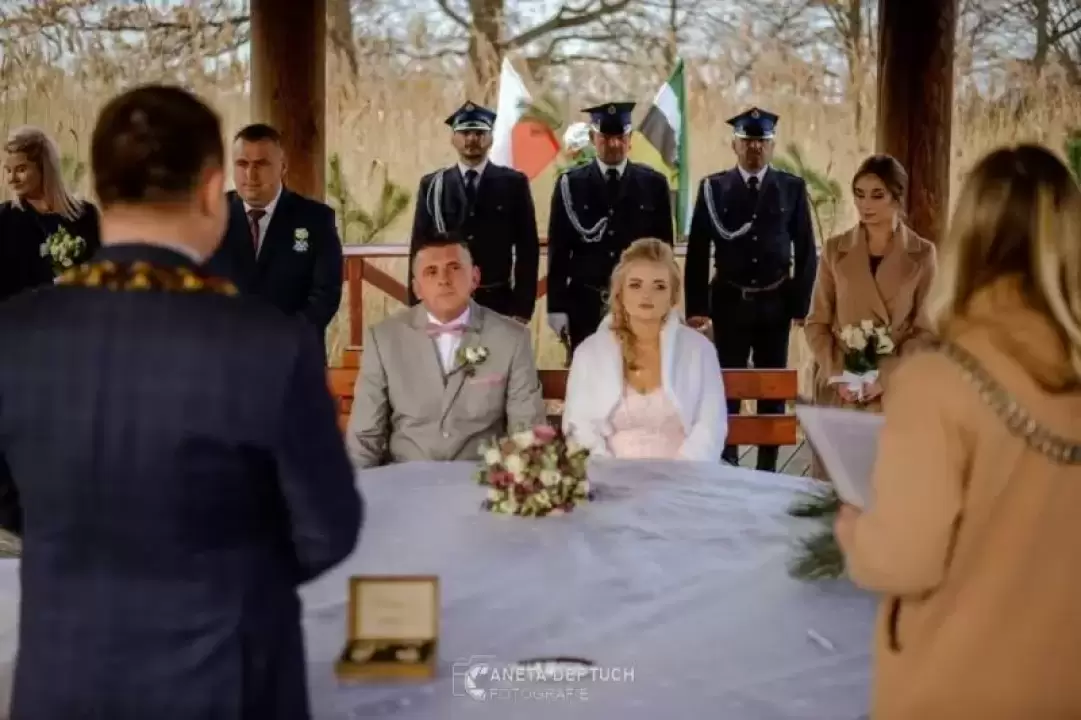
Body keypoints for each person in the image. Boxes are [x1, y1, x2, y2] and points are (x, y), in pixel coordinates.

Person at [0, 85, 362, 719]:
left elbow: (4, 492)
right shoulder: (268, 342)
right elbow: (325, 527)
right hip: (227, 675)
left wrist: (78, 540)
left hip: (67, 675)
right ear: (211, 190)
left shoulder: (14, 332)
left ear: (102, 187)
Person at [834, 144, 1081, 718]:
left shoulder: (939, 381)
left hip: (961, 682)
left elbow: (902, 560)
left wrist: (855, 526)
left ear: (967, 237)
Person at [684, 106, 817, 472]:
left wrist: (801, 305)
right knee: (726, 386)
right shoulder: (713, 188)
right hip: (729, 301)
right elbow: (698, 251)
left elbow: (806, 250)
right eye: (747, 141)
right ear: (735, 145)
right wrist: (697, 307)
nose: (754, 148)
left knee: (771, 387)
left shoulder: (791, 188)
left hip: (776, 303)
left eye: (762, 141)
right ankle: (727, 464)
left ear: (771, 146)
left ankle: (768, 469)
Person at [348, 233, 547, 468]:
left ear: (475, 277)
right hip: (406, 478)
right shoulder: (384, 338)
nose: (443, 279)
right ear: (417, 288)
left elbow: (526, 433)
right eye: (431, 271)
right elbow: (364, 436)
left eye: (454, 268)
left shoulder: (511, 338)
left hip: (481, 478)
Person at [804, 156, 936, 477]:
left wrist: (885, 377)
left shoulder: (922, 254)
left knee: (889, 488)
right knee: (836, 492)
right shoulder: (835, 250)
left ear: (897, 197)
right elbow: (817, 323)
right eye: (859, 194)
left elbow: (926, 331)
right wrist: (838, 374)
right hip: (840, 389)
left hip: (894, 391)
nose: (866, 204)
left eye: (877, 195)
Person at [562, 238, 726, 460]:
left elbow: (710, 427)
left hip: (684, 476)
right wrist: (605, 473)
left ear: (673, 296)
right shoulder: (589, 353)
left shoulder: (700, 350)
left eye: (659, 286)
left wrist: (680, 474)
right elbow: (578, 426)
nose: (646, 295)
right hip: (609, 476)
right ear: (620, 292)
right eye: (635, 285)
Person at [206, 123, 343, 359]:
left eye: (261, 164)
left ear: (283, 166)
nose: (251, 175)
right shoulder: (211, 217)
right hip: (224, 357)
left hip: (294, 358)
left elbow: (326, 294)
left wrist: (283, 338)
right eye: (242, 164)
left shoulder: (315, 219)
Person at [546, 102, 674, 354]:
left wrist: (666, 302)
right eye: (605, 138)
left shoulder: (654, 184)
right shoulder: (570, 185)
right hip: (586, 305)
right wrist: (556, 307)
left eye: (620, 137)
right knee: (589, 374)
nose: (614, 144)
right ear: (592, 138)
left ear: (630, 139)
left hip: (640, 304)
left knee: (640, 371)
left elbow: (664, 252)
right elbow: (558, 252)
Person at [407, 102, 540, 322]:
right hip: (446, 301)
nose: (471, 139)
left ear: (490, 138)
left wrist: (522, 308)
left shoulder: (513, 183)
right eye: (464, 133)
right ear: (453, 138)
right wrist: (417, 305)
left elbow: (527, 250)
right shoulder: (433, 185)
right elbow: (419, 247)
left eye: (479, 133)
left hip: (497, 302)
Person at [0, 126, 100, 302]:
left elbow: (102, 273)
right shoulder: (4, 219)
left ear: (45, 168)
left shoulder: (86, 215)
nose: (12, 179)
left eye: (21, 169)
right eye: (8, 170)